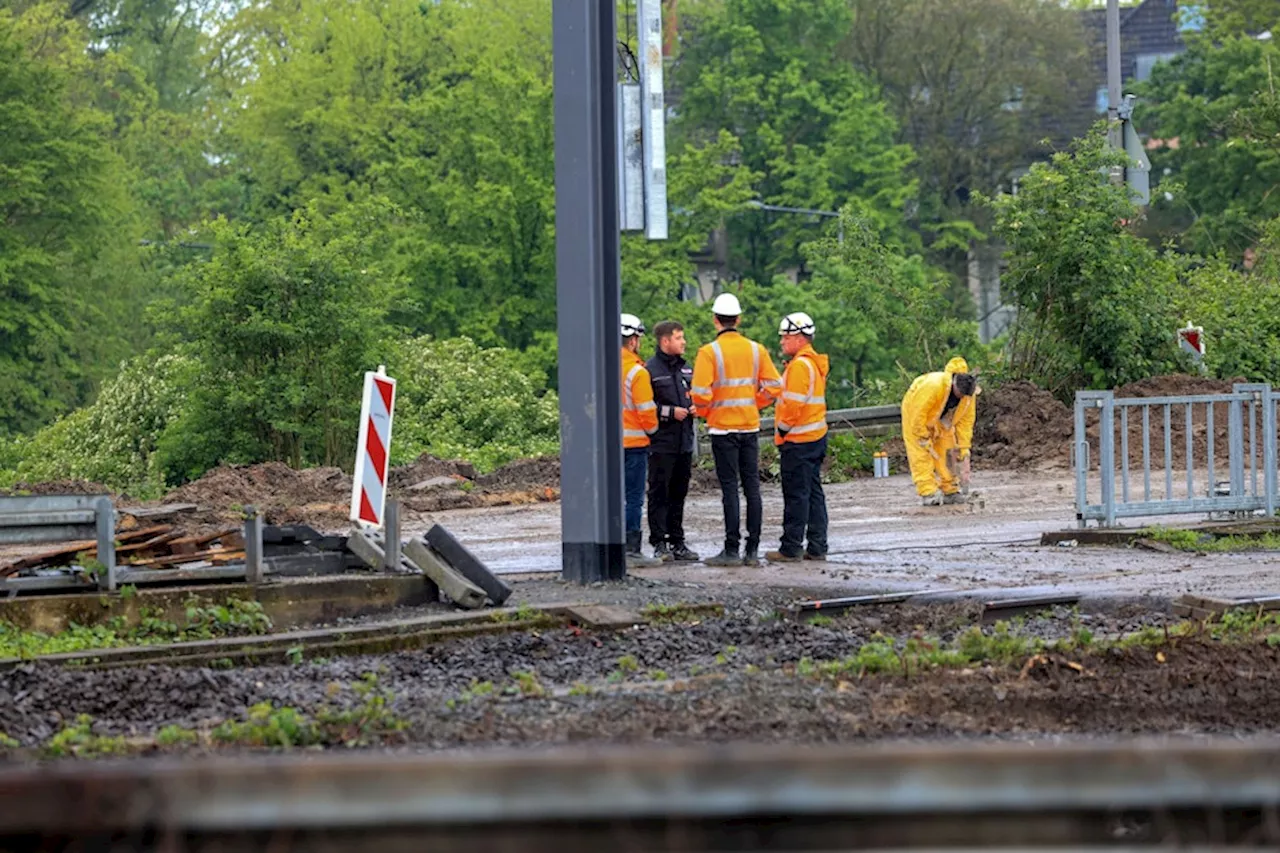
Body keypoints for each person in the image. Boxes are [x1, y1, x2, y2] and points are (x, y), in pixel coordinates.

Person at [690, 293, 782, 566]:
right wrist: (755, 403)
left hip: (722, 430)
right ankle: (752, 551)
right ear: (738, 319)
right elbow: (775, 386)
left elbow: (699, 396)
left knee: (730, 489)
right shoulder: (756, 350)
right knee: (752, 488)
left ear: (715, 320)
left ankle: (731, 550)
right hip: (749, 426)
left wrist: (709, 412)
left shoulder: (709, 353)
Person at [765, 312, 829, 563]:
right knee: (813, 493)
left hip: (799, 441)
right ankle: (817, 545)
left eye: (785, 337)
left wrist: (781, 429)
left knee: (796, 495)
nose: (782, 342)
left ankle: (791, 547)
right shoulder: (811, 363)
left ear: (799, 338)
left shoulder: (801, 366)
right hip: (814, 438)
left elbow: (793, 404)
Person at [645, 320, 700, 562]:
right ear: (665, 341)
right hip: (661, 443)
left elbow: (693, 395)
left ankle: (678, 542)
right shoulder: (650, 370)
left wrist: (696, 407)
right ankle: (659, 542)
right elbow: (645, 407)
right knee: (659, 493)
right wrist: (669, 412)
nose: (684, 342)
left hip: (683, 442)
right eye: (679, 338)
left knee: (679, 493)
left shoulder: (686, 369)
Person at [900, 357, 978, 506]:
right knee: (921, 455)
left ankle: (950, 490)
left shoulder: (968, 395)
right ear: (954, 385)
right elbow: (918, 412)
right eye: (959, 395)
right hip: (915, 416)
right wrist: (922, 436)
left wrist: (964, 449)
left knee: (948, 450)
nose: (960, 399)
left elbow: (966, 422)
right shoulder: (933, 385)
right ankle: (928, 492)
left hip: (942, 419)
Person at [620, 313, 661, 567]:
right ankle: (631, 550)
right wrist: (654, 431)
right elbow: (646, 411)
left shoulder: (599, 367)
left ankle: (611, 547)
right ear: (633, 341)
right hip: (634, 445)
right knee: (633, 498)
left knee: (612, 497)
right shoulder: (637, 372)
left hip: (606, 448)